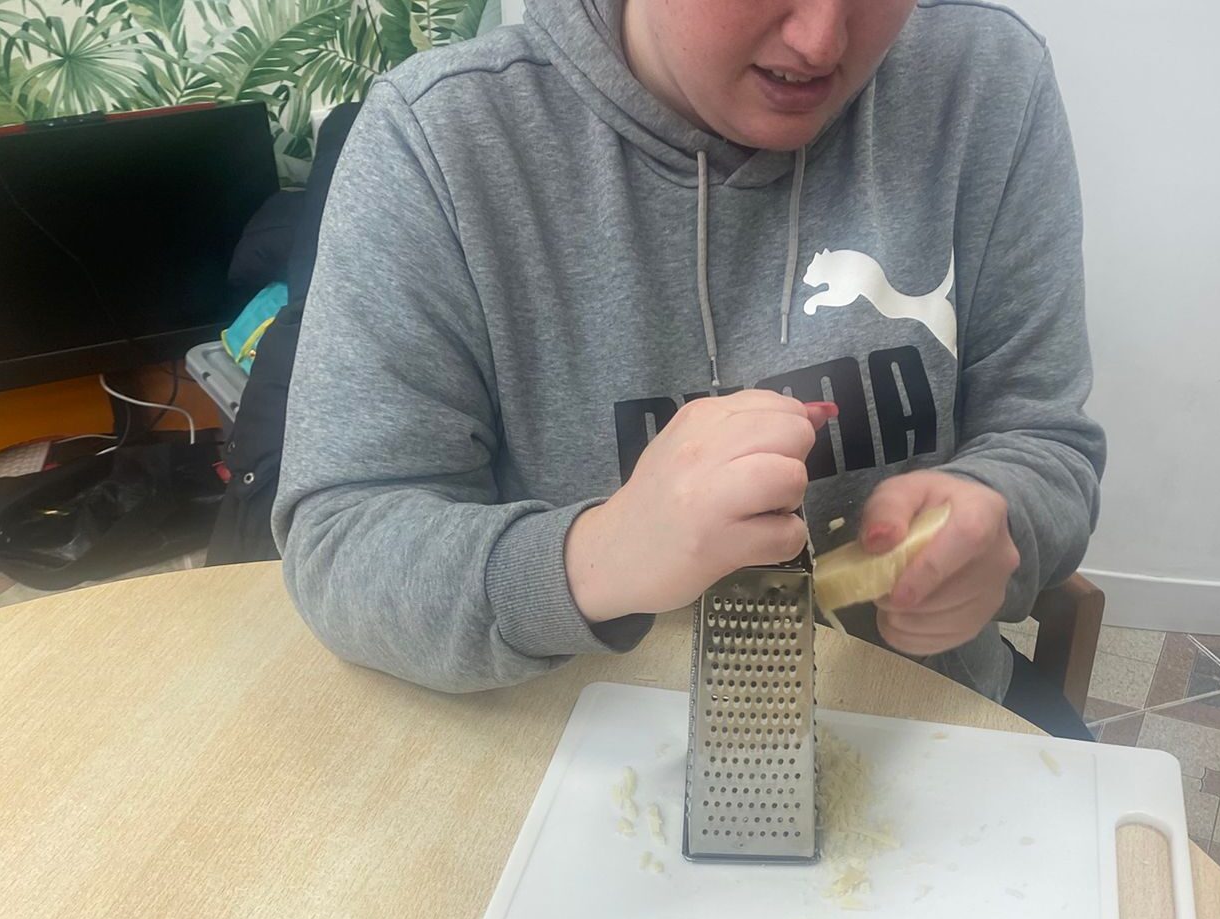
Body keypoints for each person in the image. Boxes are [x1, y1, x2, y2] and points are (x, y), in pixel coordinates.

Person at [273, 0, 1105, 737]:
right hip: (580, 756)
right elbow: (342, 545)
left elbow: (1045, 443)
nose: (821, 38)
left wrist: (1000, 519)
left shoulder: (987, 85)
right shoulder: (443, 141)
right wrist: (598, 555)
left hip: (922, 737)